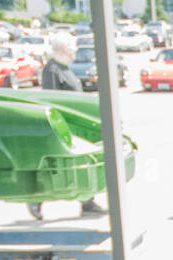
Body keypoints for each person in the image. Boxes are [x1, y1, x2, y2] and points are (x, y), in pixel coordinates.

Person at [27, 35, 103, 220]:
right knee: (57, 167)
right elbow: (52, 100)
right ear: (62, 50)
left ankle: (87, 202)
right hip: (65, 127)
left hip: (76, 126)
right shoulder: (51, 70)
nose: (75, 50)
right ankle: (36, 200)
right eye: (73, 47)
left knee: (81, 163)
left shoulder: (65, 68)